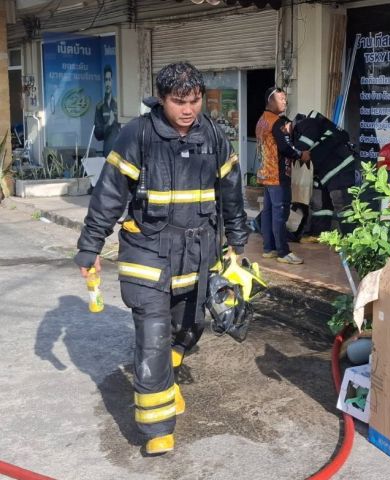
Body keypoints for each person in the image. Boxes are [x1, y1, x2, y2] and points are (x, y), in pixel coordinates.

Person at [74, 62, 248, 455]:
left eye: (195, 100)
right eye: (179, 101)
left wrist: (237, 241)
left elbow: (232, 189)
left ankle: (165, 376)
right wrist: (91, 246)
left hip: (199, 253)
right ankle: (158, 430)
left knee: (190, 327)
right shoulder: (137, 135)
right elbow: (109, 195)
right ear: (161, 99)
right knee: (153, 339)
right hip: (148, 253)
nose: (188, 109)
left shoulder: (213, 135)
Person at [256, 86, 309, 265]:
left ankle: (268, 248)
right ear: (270, 101)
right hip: (278, 175)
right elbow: (285, 148)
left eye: (285, 99)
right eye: (281, 99)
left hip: (266, 174)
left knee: (268, 212)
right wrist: (302, 154)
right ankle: (283, 252)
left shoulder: (262, 121)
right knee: (280, 213)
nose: (285, 102)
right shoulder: (277, 123)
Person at [292, 111, 357, 237]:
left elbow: (302, 147)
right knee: (321, 204)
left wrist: (291, 151)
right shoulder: (305, 128)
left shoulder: (308, 124)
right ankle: (319, 234)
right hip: (325, 173)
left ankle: (351, 240)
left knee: (342, 203)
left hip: (340, 168)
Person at [94, 65, 121, 157]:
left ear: (112, 81)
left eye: (109, 79)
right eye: (106, 80)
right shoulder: (99, 107)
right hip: (108, 153)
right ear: (104, 82)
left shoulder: (119, 104)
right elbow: (97, 135)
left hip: (122, 151)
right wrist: (108, 124)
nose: (108, 83)